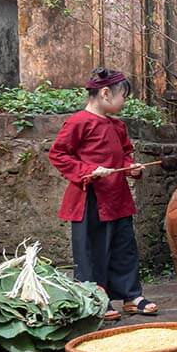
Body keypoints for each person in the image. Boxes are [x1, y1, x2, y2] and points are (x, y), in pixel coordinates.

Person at [49, 67, 157, 321]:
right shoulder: (77, 122)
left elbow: (126, 152)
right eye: (124, 96)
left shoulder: (117, 126)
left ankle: (131, 295)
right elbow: (59, 155)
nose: (125, 102)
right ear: (106, 94)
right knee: (92, 250)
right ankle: (97, 299)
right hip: (90, 199)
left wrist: (131, 167)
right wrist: (88, 170)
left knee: (125, 247)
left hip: (118, 196)